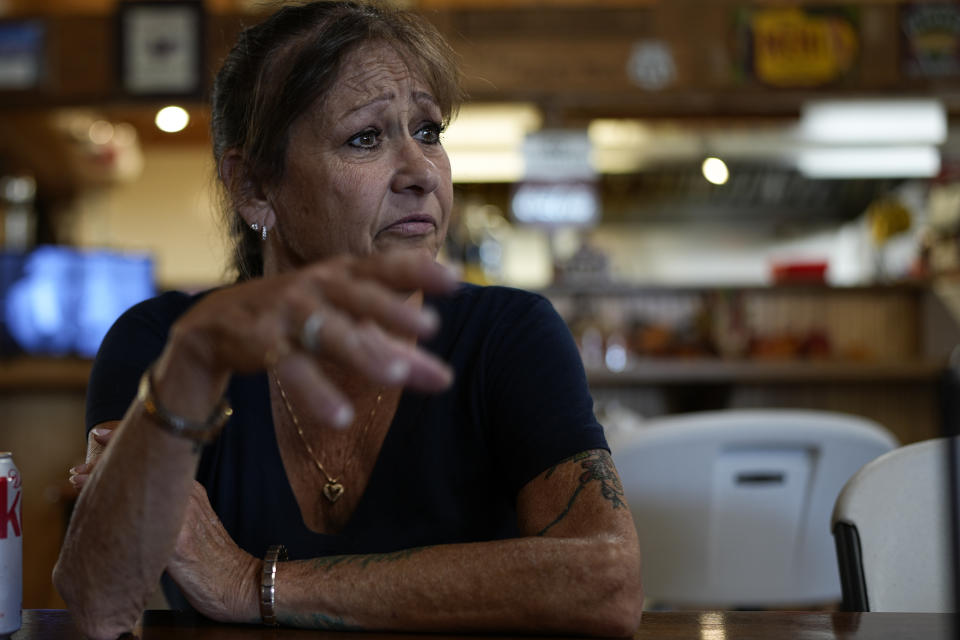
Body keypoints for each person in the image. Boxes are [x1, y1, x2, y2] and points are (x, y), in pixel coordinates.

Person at [53, 2, 643, 638]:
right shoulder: (165, 344)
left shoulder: (510, 334)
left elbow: (605, 581)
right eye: (366, 138)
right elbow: (97, 604)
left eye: (429, 132)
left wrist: (252, 584)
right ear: (253, 185)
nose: (421, 173)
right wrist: (190, 367)